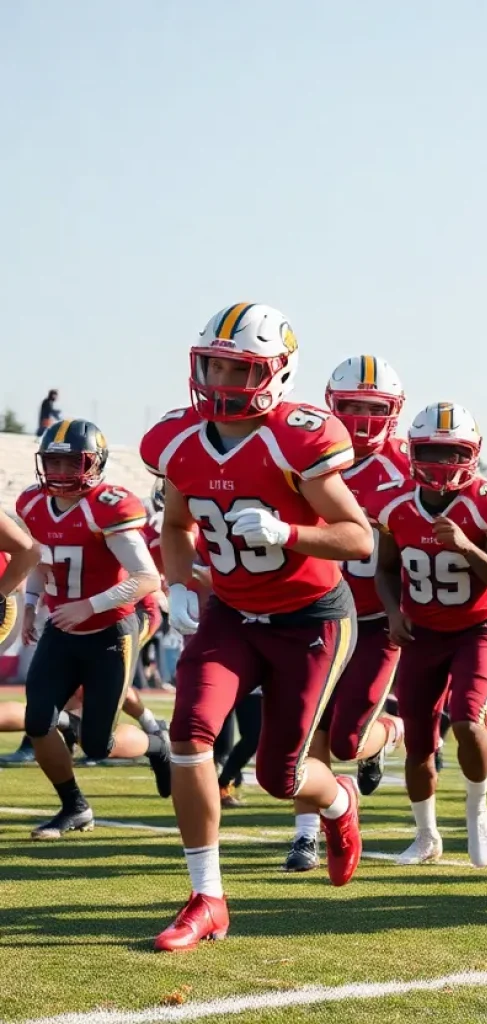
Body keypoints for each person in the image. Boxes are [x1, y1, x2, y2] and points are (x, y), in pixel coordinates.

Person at [140, 302, 373, 951]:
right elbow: (176, 526)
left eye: (239, 370)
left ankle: (338, 803)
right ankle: (207, 897)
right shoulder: (178, 439)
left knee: (280, 775)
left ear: (275, 373)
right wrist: (180, 581)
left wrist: (290, 531)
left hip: (311, 619)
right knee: (188, 736)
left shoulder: (298, 437)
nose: (220, 381)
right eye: (213, 364)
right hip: (232, 613)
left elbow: (358, 538)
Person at [371, 401, 487, 868]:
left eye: (453, 453)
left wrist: (465, 545)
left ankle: (478, 807)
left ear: (473, 454)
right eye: (432, 452)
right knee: (419, 743)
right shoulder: (394, 503)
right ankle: (427, 837)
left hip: (476, 629)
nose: (442, 465)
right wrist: (392, 612)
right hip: (421, 634)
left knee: (466, 724)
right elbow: (384, 568)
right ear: (413, 452)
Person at [281, 354, 409, 872]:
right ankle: (305, 834)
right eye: (350, 405)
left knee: (349, 741)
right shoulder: (308, 450)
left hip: (376, 620)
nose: (359, 417)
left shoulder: (409, 466)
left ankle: (391, 733)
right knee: (305, 729)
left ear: (394, 412)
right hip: (316, 614)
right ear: (331, 404)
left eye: (372, 407)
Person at [17, 420, 170, 837]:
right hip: (62, 631)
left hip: (111, 631)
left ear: (94, 464)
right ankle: (74, 806)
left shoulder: (109, 506)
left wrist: (89, 606)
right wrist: (30, 606)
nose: (61, 472)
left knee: (98, 745)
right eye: (54, 461)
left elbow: (147, 578)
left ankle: (159, 745)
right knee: (38, 722)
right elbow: (38, 562)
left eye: (72, 462)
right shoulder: (32, 503)